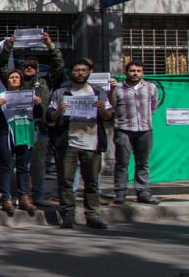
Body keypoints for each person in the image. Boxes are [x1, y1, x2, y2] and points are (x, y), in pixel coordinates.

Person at [0, 32, 64, 207]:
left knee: (37, 163)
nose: (29, 68)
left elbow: (58, 65)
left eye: (33, 66)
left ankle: (38, 195)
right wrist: (8, 48)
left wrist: (50, 44)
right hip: (15, 127)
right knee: (14, 163)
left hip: (37, 127)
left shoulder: (45, 81)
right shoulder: (15, 81)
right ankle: (13, 195)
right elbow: (2, 67)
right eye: (26, 65)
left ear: (38, 68)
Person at [47, 59, 113, 230]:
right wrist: (59, 112)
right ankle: (68, 214)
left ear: (90, 71)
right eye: (77, 70)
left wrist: (101, 109)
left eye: (84, 70)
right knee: (66, 181)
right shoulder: (62, 92)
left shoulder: (98, 92)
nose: (80, 73)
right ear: (71, 72)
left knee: (91, 182)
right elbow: (49, 118)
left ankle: (92, 215)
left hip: (92, 142)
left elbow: (109, 117)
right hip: (68, 142)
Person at [0, 69, 42, 216]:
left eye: (16, 77)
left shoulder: (29, 96)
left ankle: (24, 197)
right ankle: (6, 198)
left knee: (23, 166)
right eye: (11, 77)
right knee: (6, 165)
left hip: (23, 132)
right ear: (7, 81)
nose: (14, 79)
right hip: (5, 133)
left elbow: (38, 115)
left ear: (21, 80)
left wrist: (38, 105)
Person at [108, 61, 160, 205]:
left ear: (142, 73)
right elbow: (112, 105)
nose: (135, 73)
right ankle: (120, 192)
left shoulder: (151, 87)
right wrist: (111, 90)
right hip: (123, 129)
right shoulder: (118, 87)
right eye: (132, 71)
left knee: (142, 163)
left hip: (145, 130)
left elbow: (153, 106)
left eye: (138, 71)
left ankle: (143, 192)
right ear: (126, 73)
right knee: (121, 163)